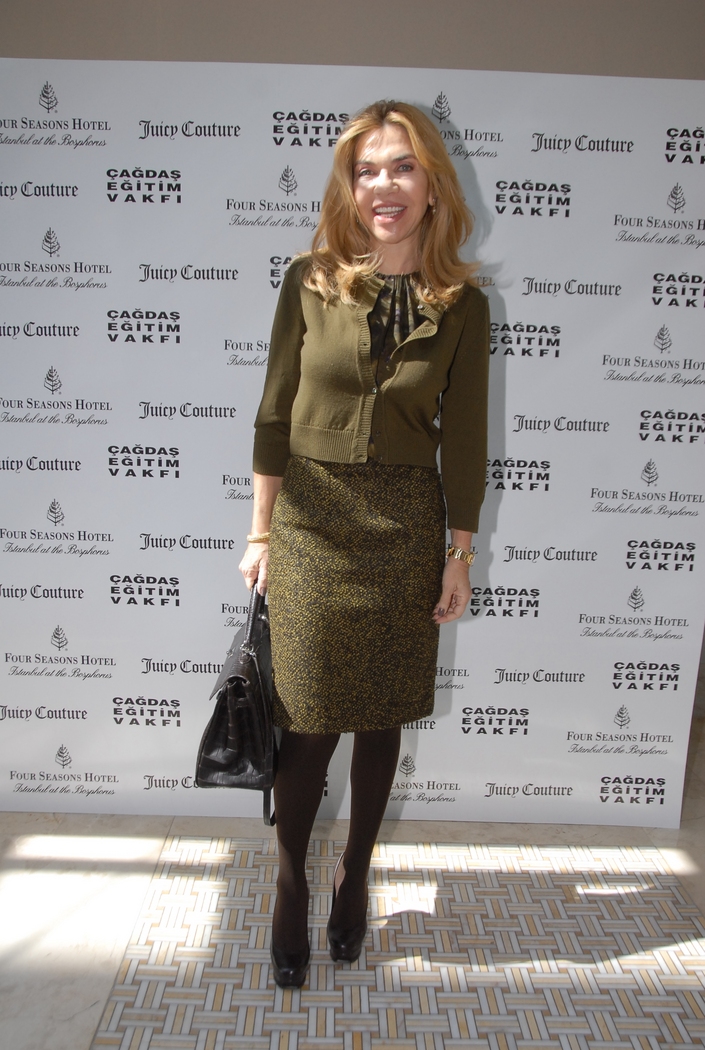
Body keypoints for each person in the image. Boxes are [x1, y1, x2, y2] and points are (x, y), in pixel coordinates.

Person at [239, 99, 490, 988]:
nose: (385, 185)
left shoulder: (463, 305)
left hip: (404, 526)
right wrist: (260, 529)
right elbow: (274, 413)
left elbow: (465, 439)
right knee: (306, 722)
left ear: (433, 187)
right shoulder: (308, 280)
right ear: (349, 186)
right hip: (311, 517)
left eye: (403, 167)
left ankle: (355, 874)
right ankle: (290, 881)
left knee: (381, 715)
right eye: (367, 169)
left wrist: (458, 552)